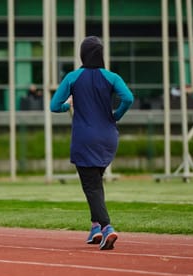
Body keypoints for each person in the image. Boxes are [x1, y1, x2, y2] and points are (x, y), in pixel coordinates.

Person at [50, 36, 134, 250]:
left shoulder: (73, 77)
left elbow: (54, 105)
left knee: (91, 186)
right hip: (108, 138)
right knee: (95, 183)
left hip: (84, 139)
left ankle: (107, 228)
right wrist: (116, 116)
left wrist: (67, 105)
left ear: (82, 54)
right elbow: (128, 98)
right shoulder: (112, 77)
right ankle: (95, 227)